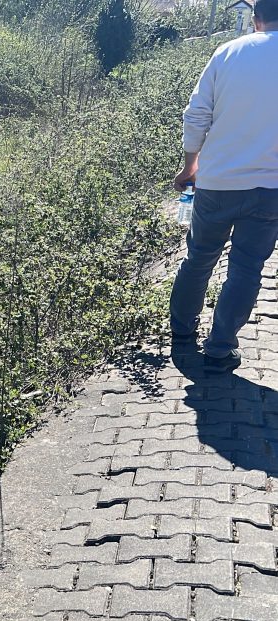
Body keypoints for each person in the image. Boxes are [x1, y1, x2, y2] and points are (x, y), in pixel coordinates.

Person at [170, 0, 278, 373]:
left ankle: (182, 335)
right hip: (269, 188)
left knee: (199, 257)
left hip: (217, 182)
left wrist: (190, 166)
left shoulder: (229, 52)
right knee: (246, 269)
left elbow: (197, 113)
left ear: (255, 18)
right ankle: (220, 348)